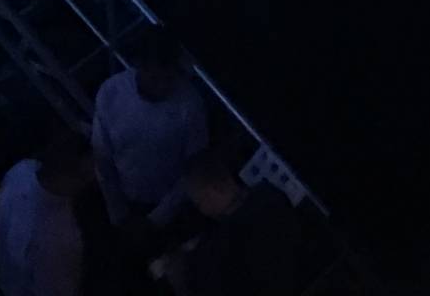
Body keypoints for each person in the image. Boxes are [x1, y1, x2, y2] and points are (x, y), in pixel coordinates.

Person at [92, 26, 208, 229]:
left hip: (173, 209)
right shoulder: (111, 92)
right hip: (123, 200)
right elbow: (102, 157)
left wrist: (158, 218)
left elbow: (194, 168)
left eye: (169, 78)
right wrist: (117, 212)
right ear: (139, 65)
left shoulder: (190, 105)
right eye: (155, 78)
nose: (162, 86)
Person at [156, 147, 305, 296]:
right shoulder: (270, 194)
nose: (202, 211)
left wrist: (177, 277)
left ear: (213, 190)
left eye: (199, 203)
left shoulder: (218, 249)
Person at [0, 129, 92, 296]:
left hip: (7, 277)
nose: (92, 179)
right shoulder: (56, 238)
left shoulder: (20, 171)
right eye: (85, 176)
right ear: (64, 176)